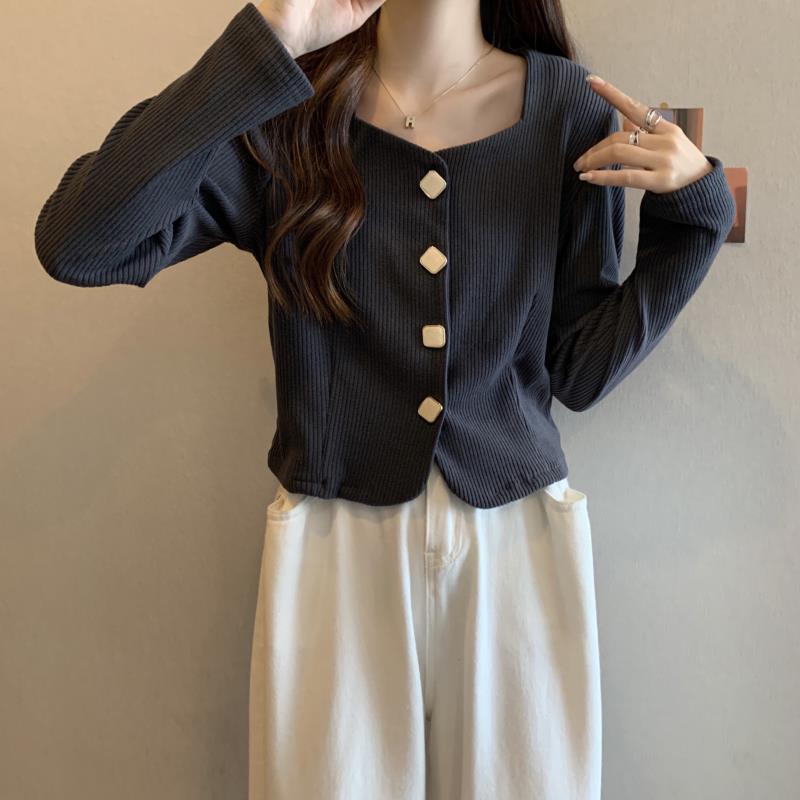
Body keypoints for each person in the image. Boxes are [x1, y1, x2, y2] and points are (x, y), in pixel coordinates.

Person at [33, 1, 737, 798]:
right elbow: (80, 243)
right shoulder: (289, 109)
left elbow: (578, 368)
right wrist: (264, 46)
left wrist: (696, 214)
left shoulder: (569, 109)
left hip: (514, 545)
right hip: (333, 547)